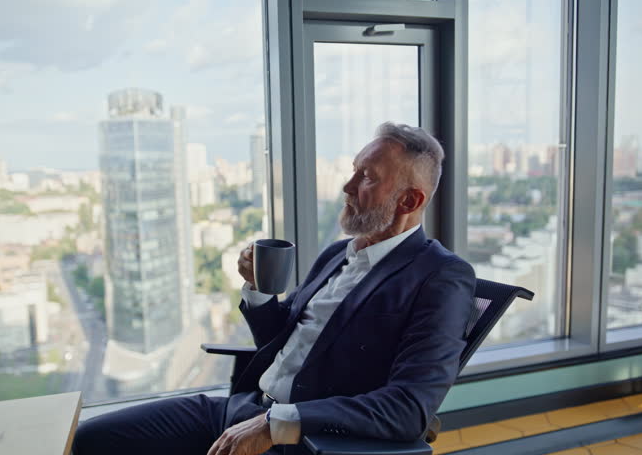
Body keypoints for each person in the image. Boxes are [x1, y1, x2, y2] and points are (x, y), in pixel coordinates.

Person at [73, 122, 475, 455]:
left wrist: (277, 425)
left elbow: (407, 409)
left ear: (409, 200)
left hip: (304, 438)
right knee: (94, 439)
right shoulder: (338, 253)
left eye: (366, 177)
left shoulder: (441, 278)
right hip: (245, 407)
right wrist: (257, 289)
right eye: (353, 170)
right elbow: (282, 338)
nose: (347, 186)